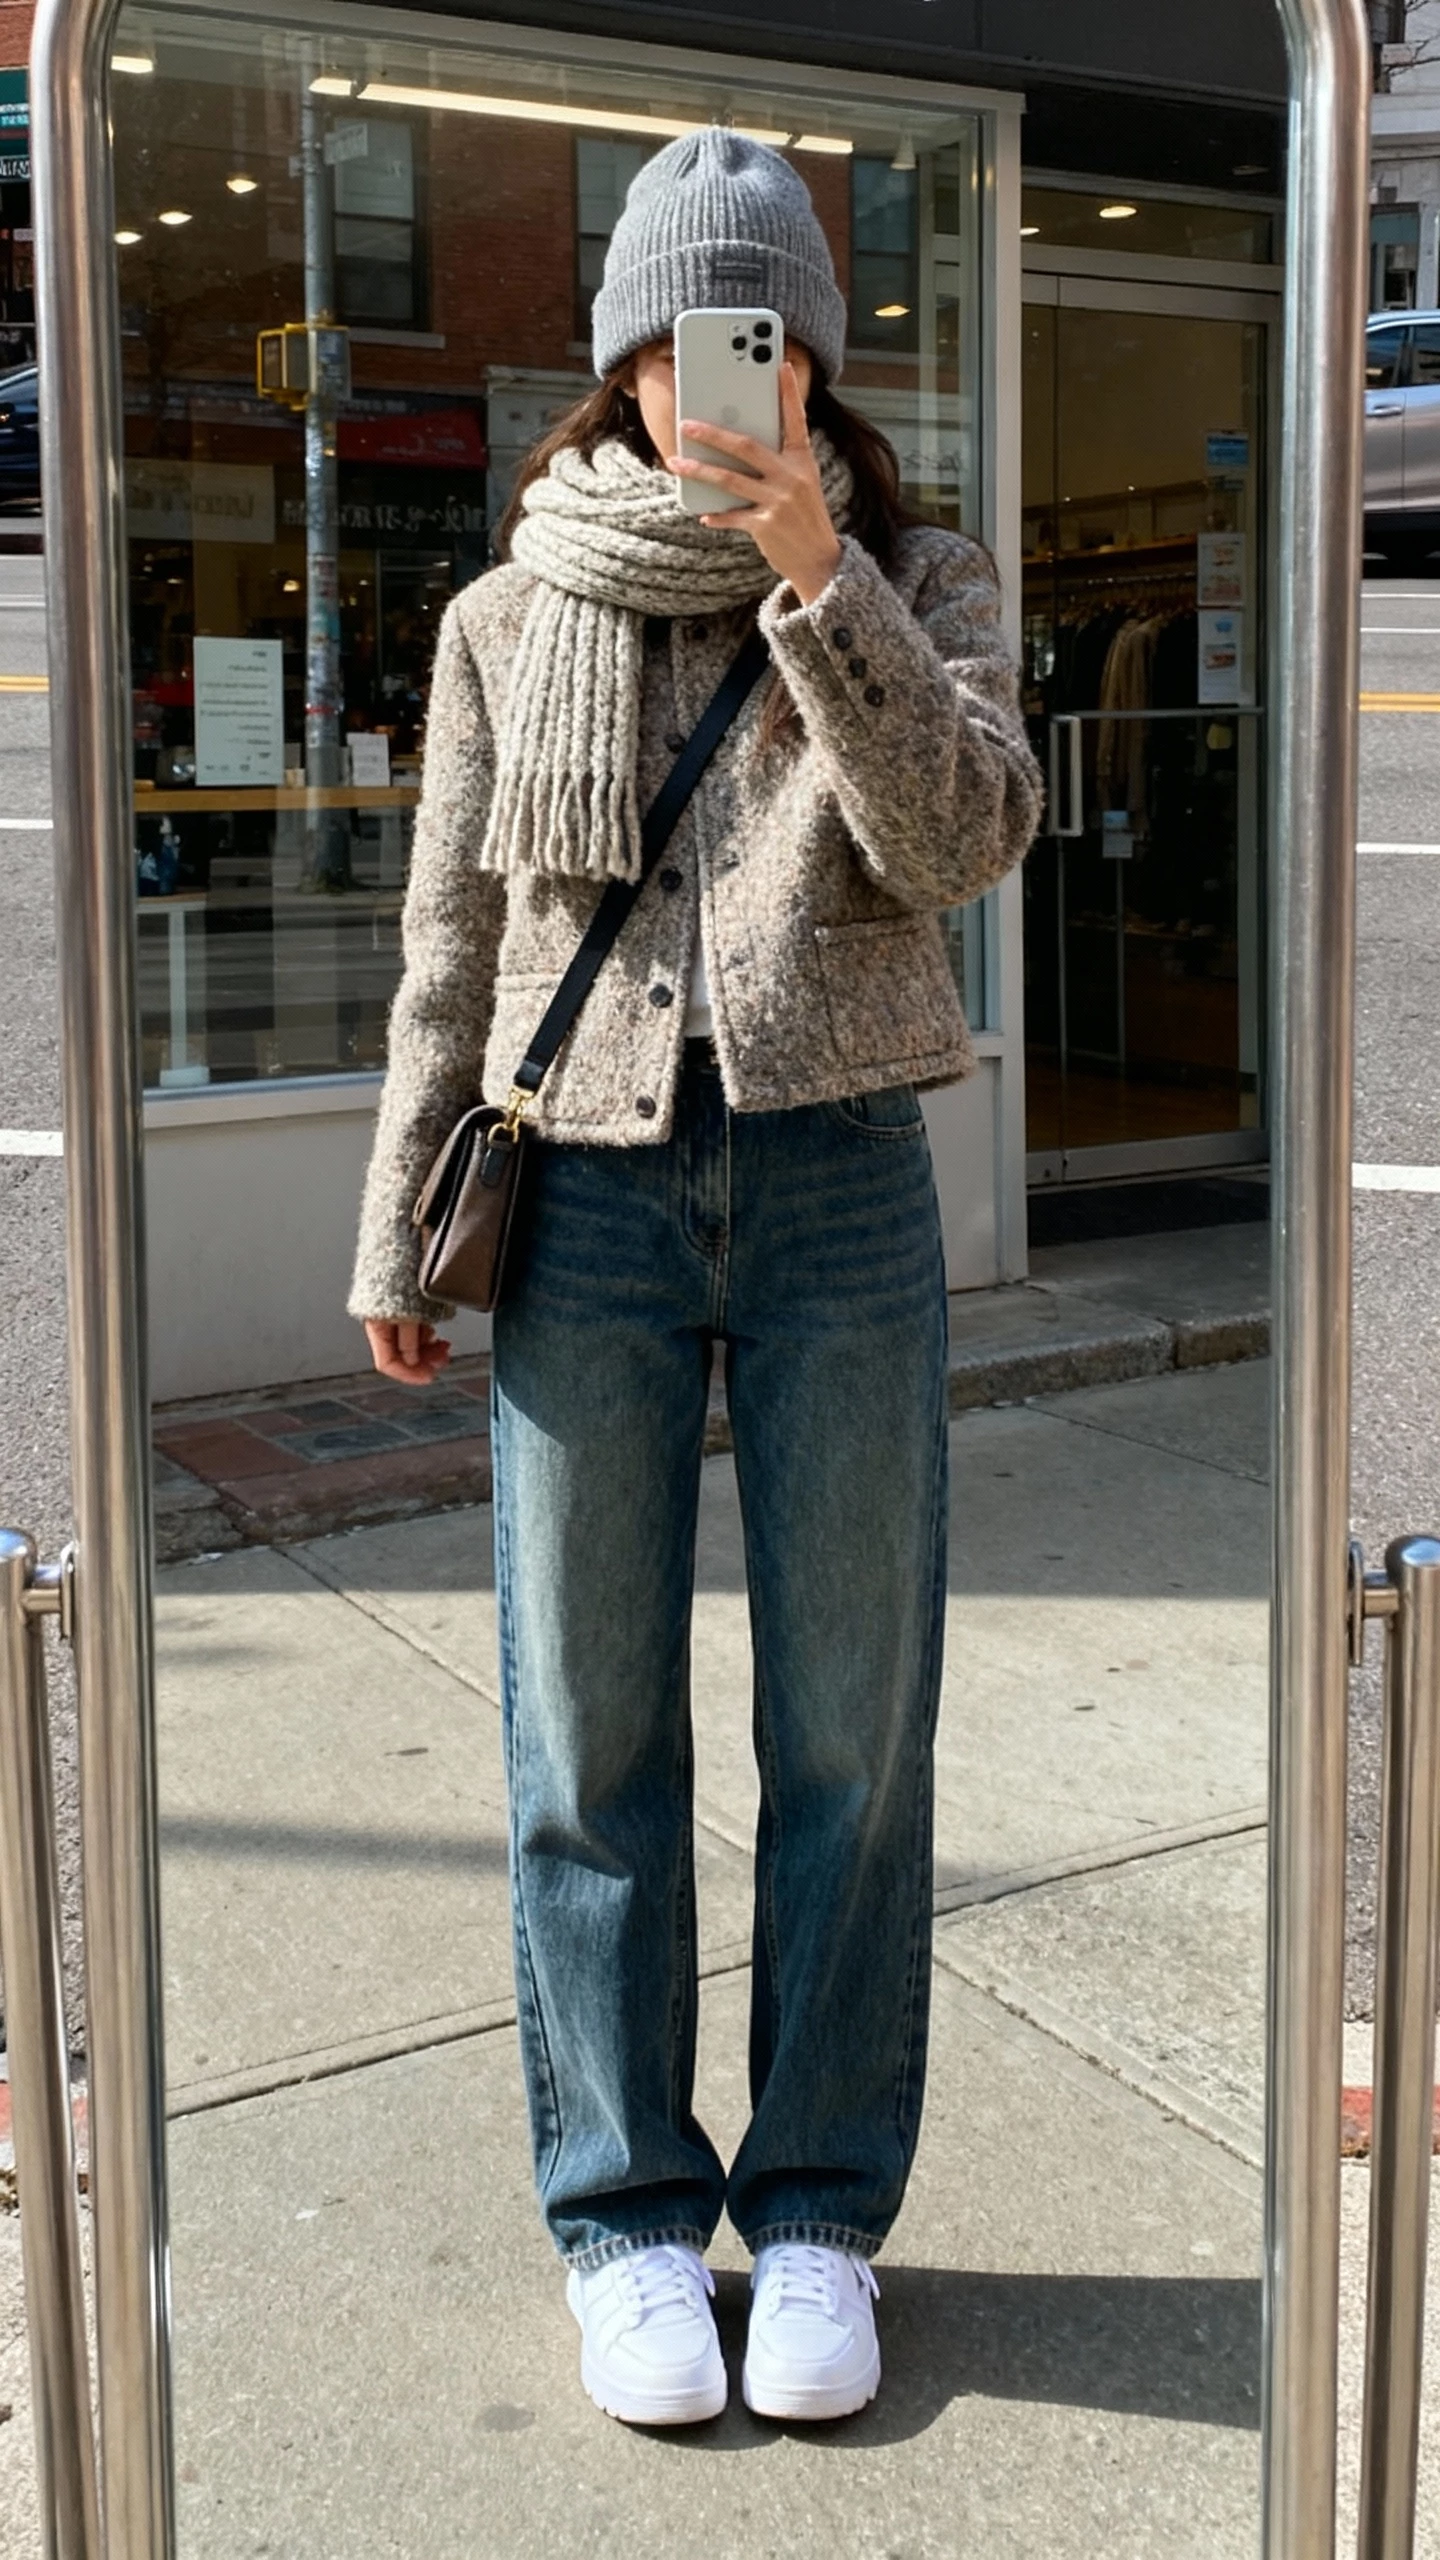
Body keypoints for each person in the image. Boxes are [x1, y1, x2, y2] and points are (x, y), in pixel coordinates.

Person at [350, 127, 1042, 2430]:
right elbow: (454, 943)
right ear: (618, 355)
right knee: (588, 1732)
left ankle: (824, 2202)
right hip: (591, 1205)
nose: (698, 374)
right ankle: (631, 2215)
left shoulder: (918, 573)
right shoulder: (505, 608)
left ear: (810, 356)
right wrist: (396, 1225)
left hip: (842, 1179)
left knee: (853, 1722)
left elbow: (954, 840)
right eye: (663, 334)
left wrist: (814, 575)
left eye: (744, 333)